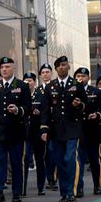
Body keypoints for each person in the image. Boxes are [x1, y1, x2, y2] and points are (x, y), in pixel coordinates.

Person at [39, 56, 87, 202]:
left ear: (68, 67)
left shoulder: (76, 85)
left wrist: (79, 105)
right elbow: (45, 110)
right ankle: (64, 193)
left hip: (73, 128)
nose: (62, 67)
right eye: (59, 65)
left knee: (70, 159)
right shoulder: (50, 86)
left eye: (64, 65)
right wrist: (44, 129)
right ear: (56, 69)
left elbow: (85, 106)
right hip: (56, 129)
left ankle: (72, 193)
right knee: (59, 161)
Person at [0, 57, 31, 202]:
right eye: (2, 67)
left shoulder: (22, 86)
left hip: (16, 132)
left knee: (16, 163)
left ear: (13, 68)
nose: (4, 69)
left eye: (7, 67)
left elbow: (28, 108)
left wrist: (18, 110)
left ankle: (16, 192)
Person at [75, 67, 101, 197]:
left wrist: (97, 114)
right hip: (78, 131)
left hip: (93, 130)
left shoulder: (96, 92)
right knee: (79, 161)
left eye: (83, 76)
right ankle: (79, 187)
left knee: (94, 160)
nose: (80, 78)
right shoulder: (72, 91)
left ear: (88, 77)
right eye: (78, 76)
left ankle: (97, 185)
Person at [23, 72, 48, 196]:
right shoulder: (21, 95)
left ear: (35, 82)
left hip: (38, 132)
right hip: (25, 133)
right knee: (25, 160)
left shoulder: (40, 95)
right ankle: (22, 189)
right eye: (26, 81)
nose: (28, 83)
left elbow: (45, 112)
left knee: (39, 160)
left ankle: (40, 187)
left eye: (30, 81)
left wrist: (44, 129)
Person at [38, 63, 58, 191]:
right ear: (40, 76)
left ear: (51, 73)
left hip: (55, 125)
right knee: (43, 154)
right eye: (43, 72)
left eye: (47, 72)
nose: (45, 74)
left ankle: (52, 178)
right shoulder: (38, 90)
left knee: (52, 152)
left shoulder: (56, 87)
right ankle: (46, 177)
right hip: (39, 126)